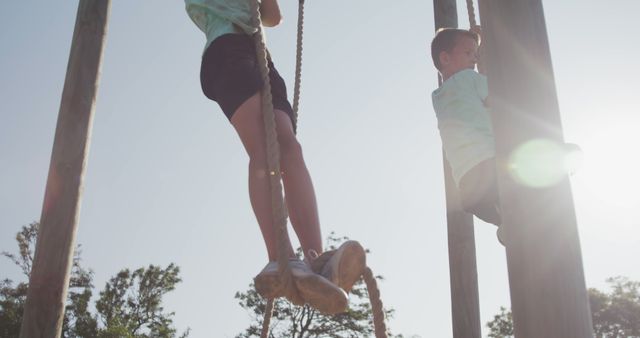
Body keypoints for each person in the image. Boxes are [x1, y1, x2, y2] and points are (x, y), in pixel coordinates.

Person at [184, 0, 365, 314]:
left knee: (289, 148)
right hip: (226, 48)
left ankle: (315, 261)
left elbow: (272, 15)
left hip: (260, 55)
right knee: (265, 150)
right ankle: (278, 258)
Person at [430, 28, 504, 243]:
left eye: (475, 55)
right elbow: (500, 98)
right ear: (445, 57)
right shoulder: (471, 78)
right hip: (491, 165)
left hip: (468, 186)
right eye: (468, 53)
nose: (473, 59)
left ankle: (505, 224)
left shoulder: (437, 96)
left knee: (501, 209)